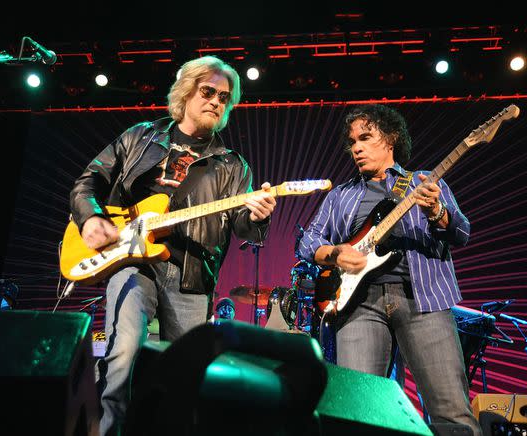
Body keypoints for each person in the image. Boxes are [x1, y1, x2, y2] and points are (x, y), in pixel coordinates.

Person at [70, 55, 276, 435]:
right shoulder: (142, 136)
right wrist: (91, 218)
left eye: (224, 97)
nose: (216, 101)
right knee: (123, 358)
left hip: (191, 276)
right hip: (133, 262)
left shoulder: (233, 165)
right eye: (208, 91)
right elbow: (89, 181)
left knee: (185, 379)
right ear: (186, 92)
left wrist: (258, 214)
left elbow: (243, 225)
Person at [298, 104, 481, 434]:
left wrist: (437, 211)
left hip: (422, 300)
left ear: (392, 138)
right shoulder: (341, 195)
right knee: (360, 415)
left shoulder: (422, 182)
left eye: (365, 137)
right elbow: (307, 241)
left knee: (451, 412)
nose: (356, 147)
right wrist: (335, 253)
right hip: (358, 306)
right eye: (352, 141)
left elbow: (462, 232)